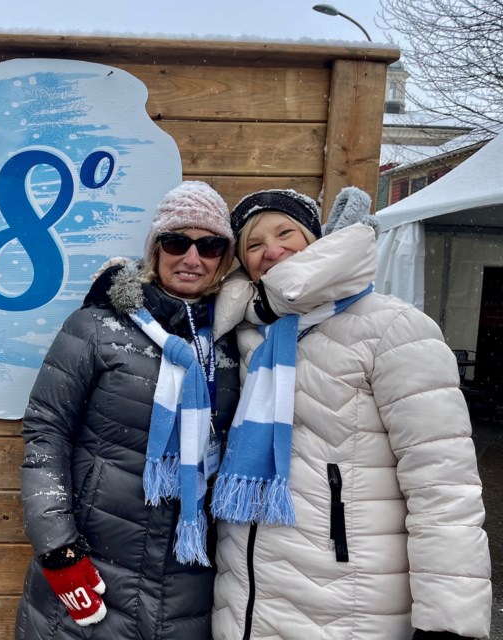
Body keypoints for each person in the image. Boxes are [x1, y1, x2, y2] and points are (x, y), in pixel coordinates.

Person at [210, 187, 492, 640]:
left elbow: (442, 484)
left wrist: (448, 621)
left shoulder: (392, 328)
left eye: (286, 233)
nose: (273, 251)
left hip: (348, 602)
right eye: (254, 244)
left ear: (317, 240)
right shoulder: (245, 330)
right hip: (245, 601)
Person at [15, 181, 243, 639]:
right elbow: (47, 433)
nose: (192, 258)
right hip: (95, 567)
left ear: (225, 258)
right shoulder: (97, 327)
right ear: (156, 249)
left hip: (191, 584)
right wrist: (58, 548)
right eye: (177, 242)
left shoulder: (237, 341)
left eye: (210, 245)